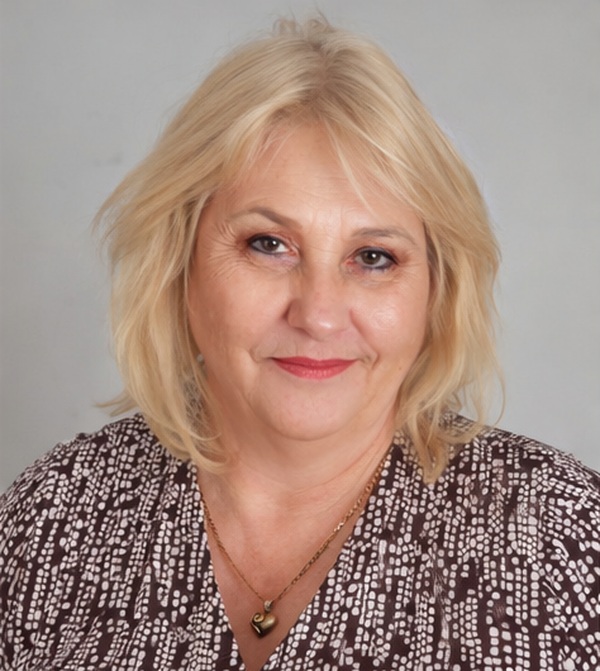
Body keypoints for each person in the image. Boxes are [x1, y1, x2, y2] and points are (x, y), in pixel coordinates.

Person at [1, 16, 598, 671]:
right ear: (179, 263)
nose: (318, 314)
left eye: (373, 256)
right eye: (268, 244)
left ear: (436, 291)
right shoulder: (52, 518)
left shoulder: (564, 537)